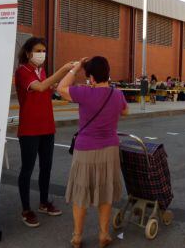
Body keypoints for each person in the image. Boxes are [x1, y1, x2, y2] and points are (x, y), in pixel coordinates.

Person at [57, 56, 128, 248]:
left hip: (85, 150)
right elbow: (125, 112)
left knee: (81, 193)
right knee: (105, 192)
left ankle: (77, 236)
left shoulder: (83, 92)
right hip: (110, 149)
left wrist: (76, 68)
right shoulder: (117, 94)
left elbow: (60, 88)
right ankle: (104, 234)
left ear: (91, 77)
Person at [15, 37, 75, 227]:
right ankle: (26, 209)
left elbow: (51, 87)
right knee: (27, 169)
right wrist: (64, 69)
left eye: (44, 51)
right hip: (29, 129)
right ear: (28, 53)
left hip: (47, 127)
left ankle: (43, 202)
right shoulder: (23, 72)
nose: (42, 54)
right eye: (38, 50)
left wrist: (73, 71)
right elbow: (40, 87)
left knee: (46, 167)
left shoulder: (42, 71)